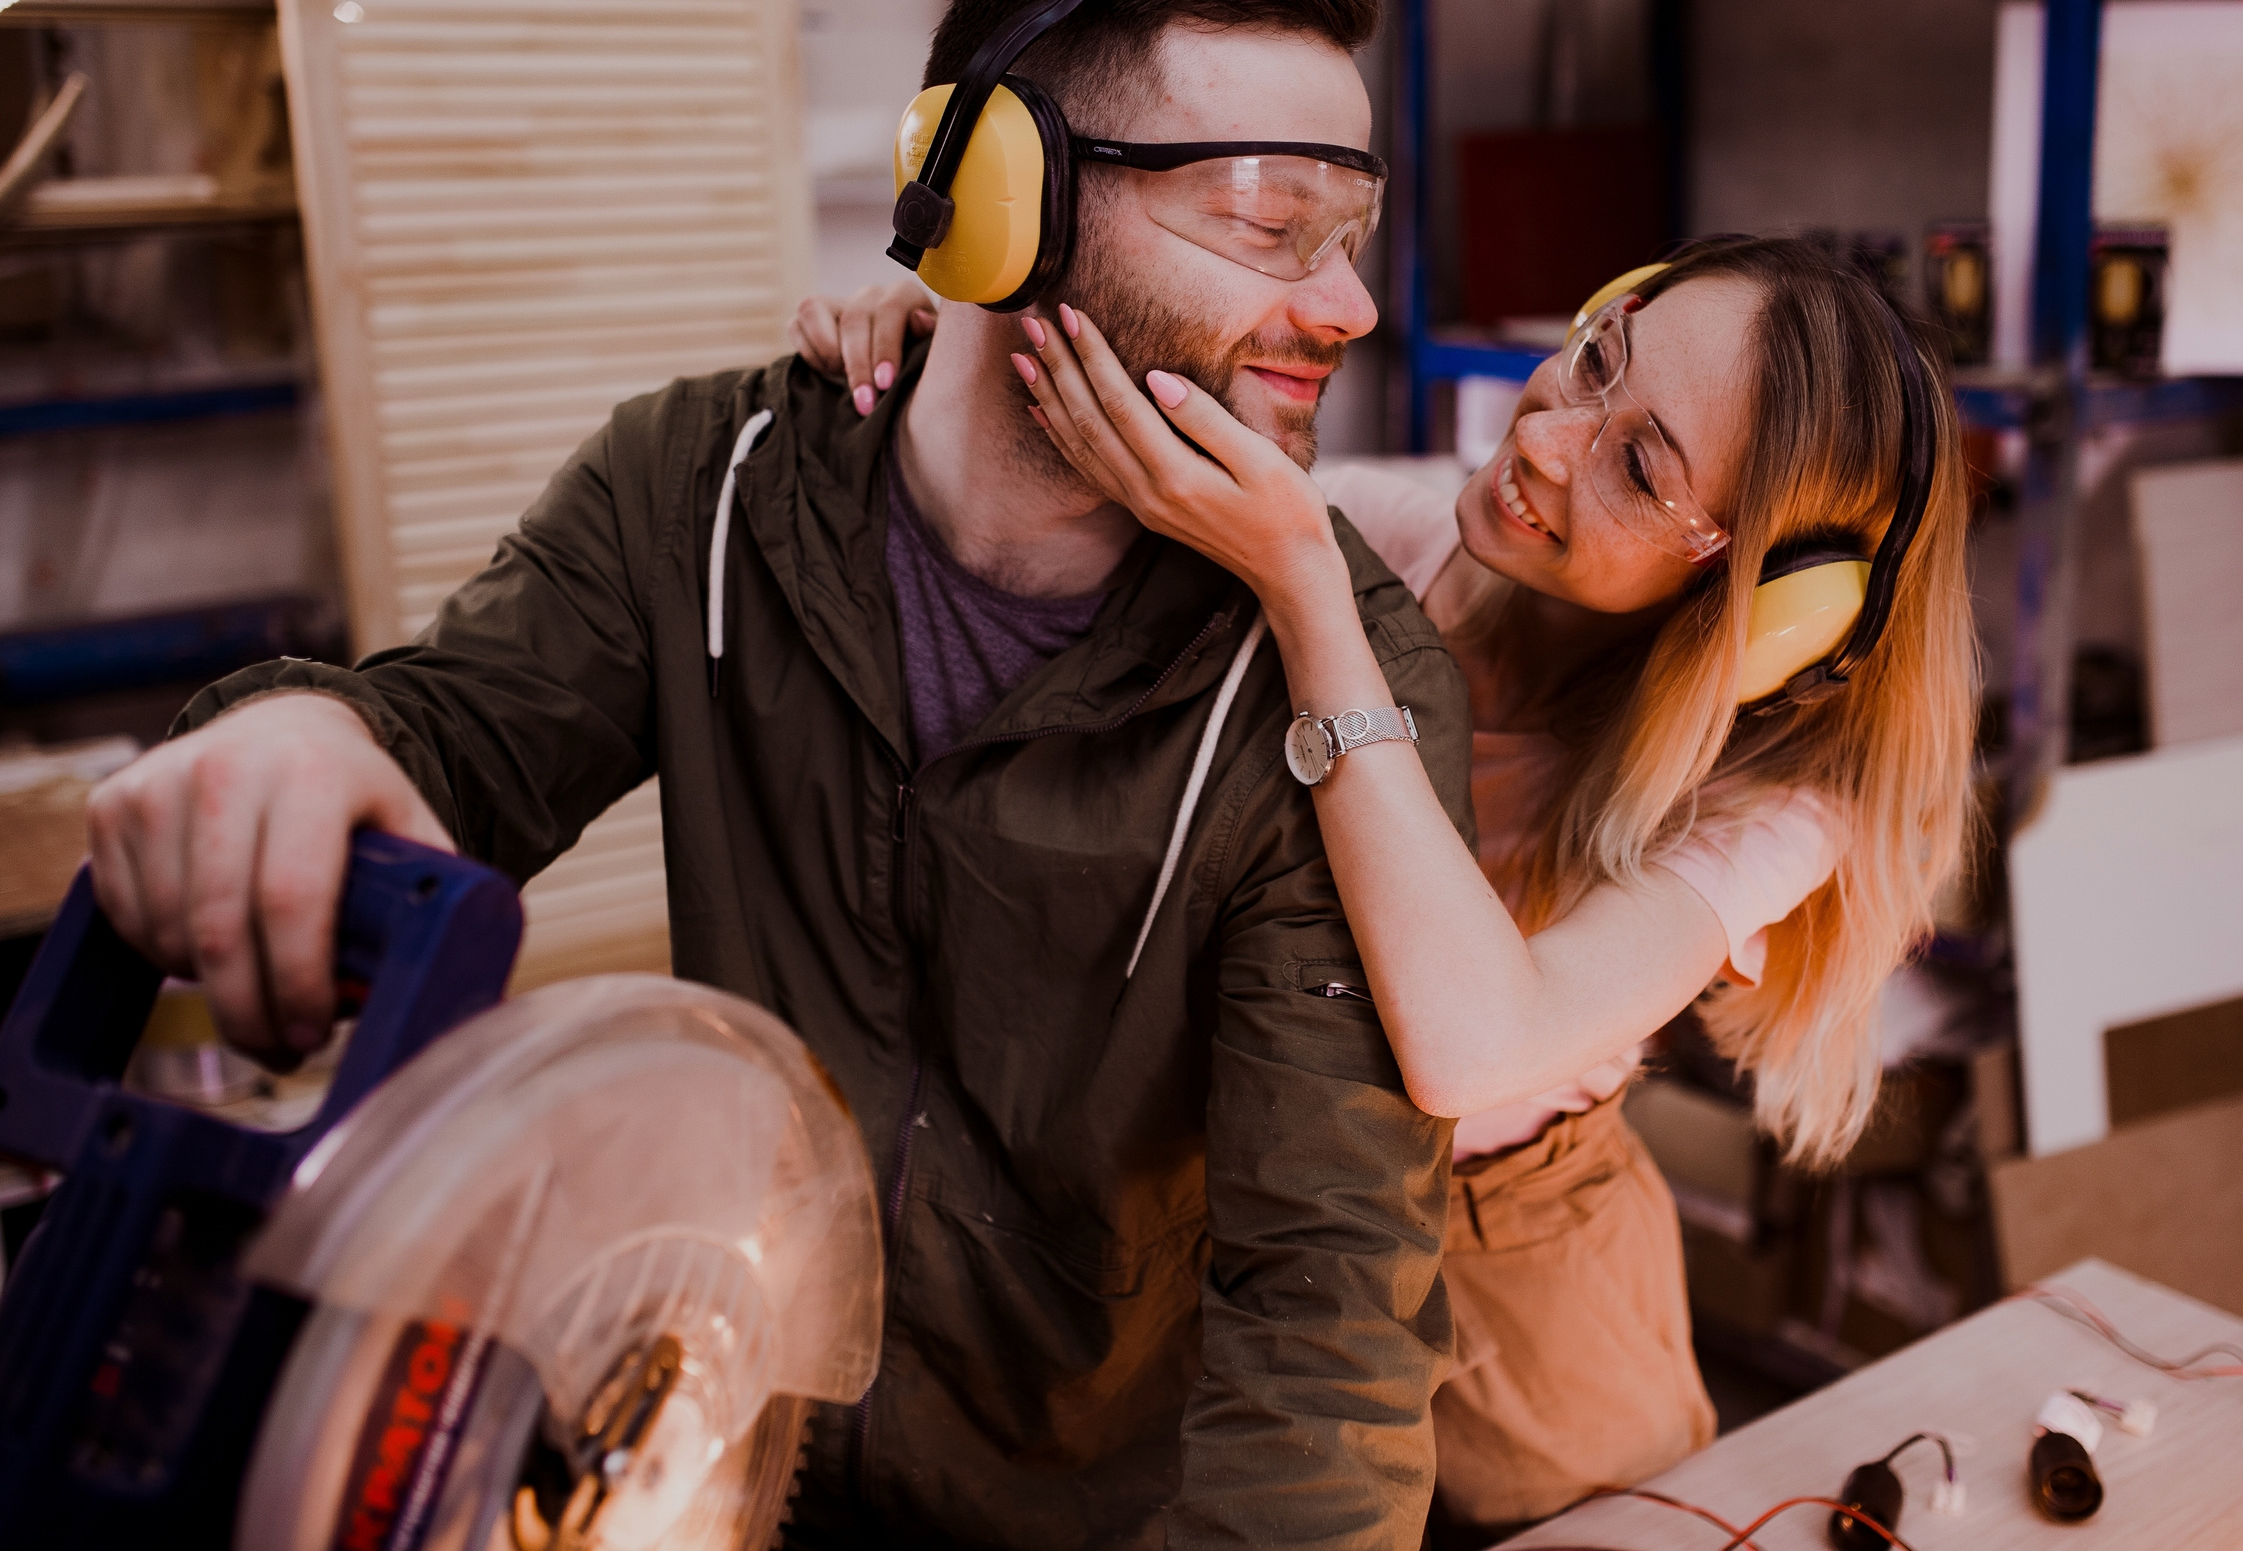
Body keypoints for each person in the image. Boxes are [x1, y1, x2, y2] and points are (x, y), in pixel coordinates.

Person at [84, 0, 1473, 1551]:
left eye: (1351, 231)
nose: (1349, 310)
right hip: (716, 1457)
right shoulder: (706, 488)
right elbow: (447, 744)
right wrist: (303, 733)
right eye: (1270, 221)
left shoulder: (1334, 693)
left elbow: (1328, 1329)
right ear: (992, 205)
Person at [799, 233, 1979, 1539]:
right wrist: (958, 353)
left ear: (1773, 606)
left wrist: (1312, 598)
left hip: (1514, 1264)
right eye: (1594, 359)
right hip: (1256, 1193)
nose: (1546, 440)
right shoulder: (1399, 523)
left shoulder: (1771, 800)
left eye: (1641, 465)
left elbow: (1477, 1043)